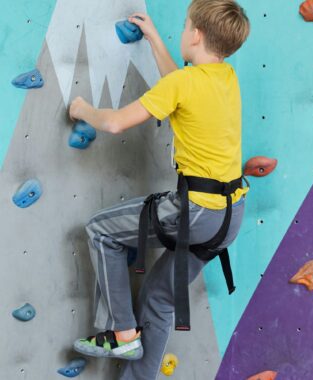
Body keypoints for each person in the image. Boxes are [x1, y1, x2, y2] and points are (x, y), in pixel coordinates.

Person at [68, 0, 250, 378]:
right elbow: (180, 88)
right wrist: (154, 39)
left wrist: (82, 108)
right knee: (160, 299)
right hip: (230, 216)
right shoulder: (225, 78)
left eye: (185, 26)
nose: (182, 31)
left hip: (196, 211)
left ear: (196, 35)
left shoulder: (185, 83)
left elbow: (117, 123)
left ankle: (122, 332)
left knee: (101, 230)